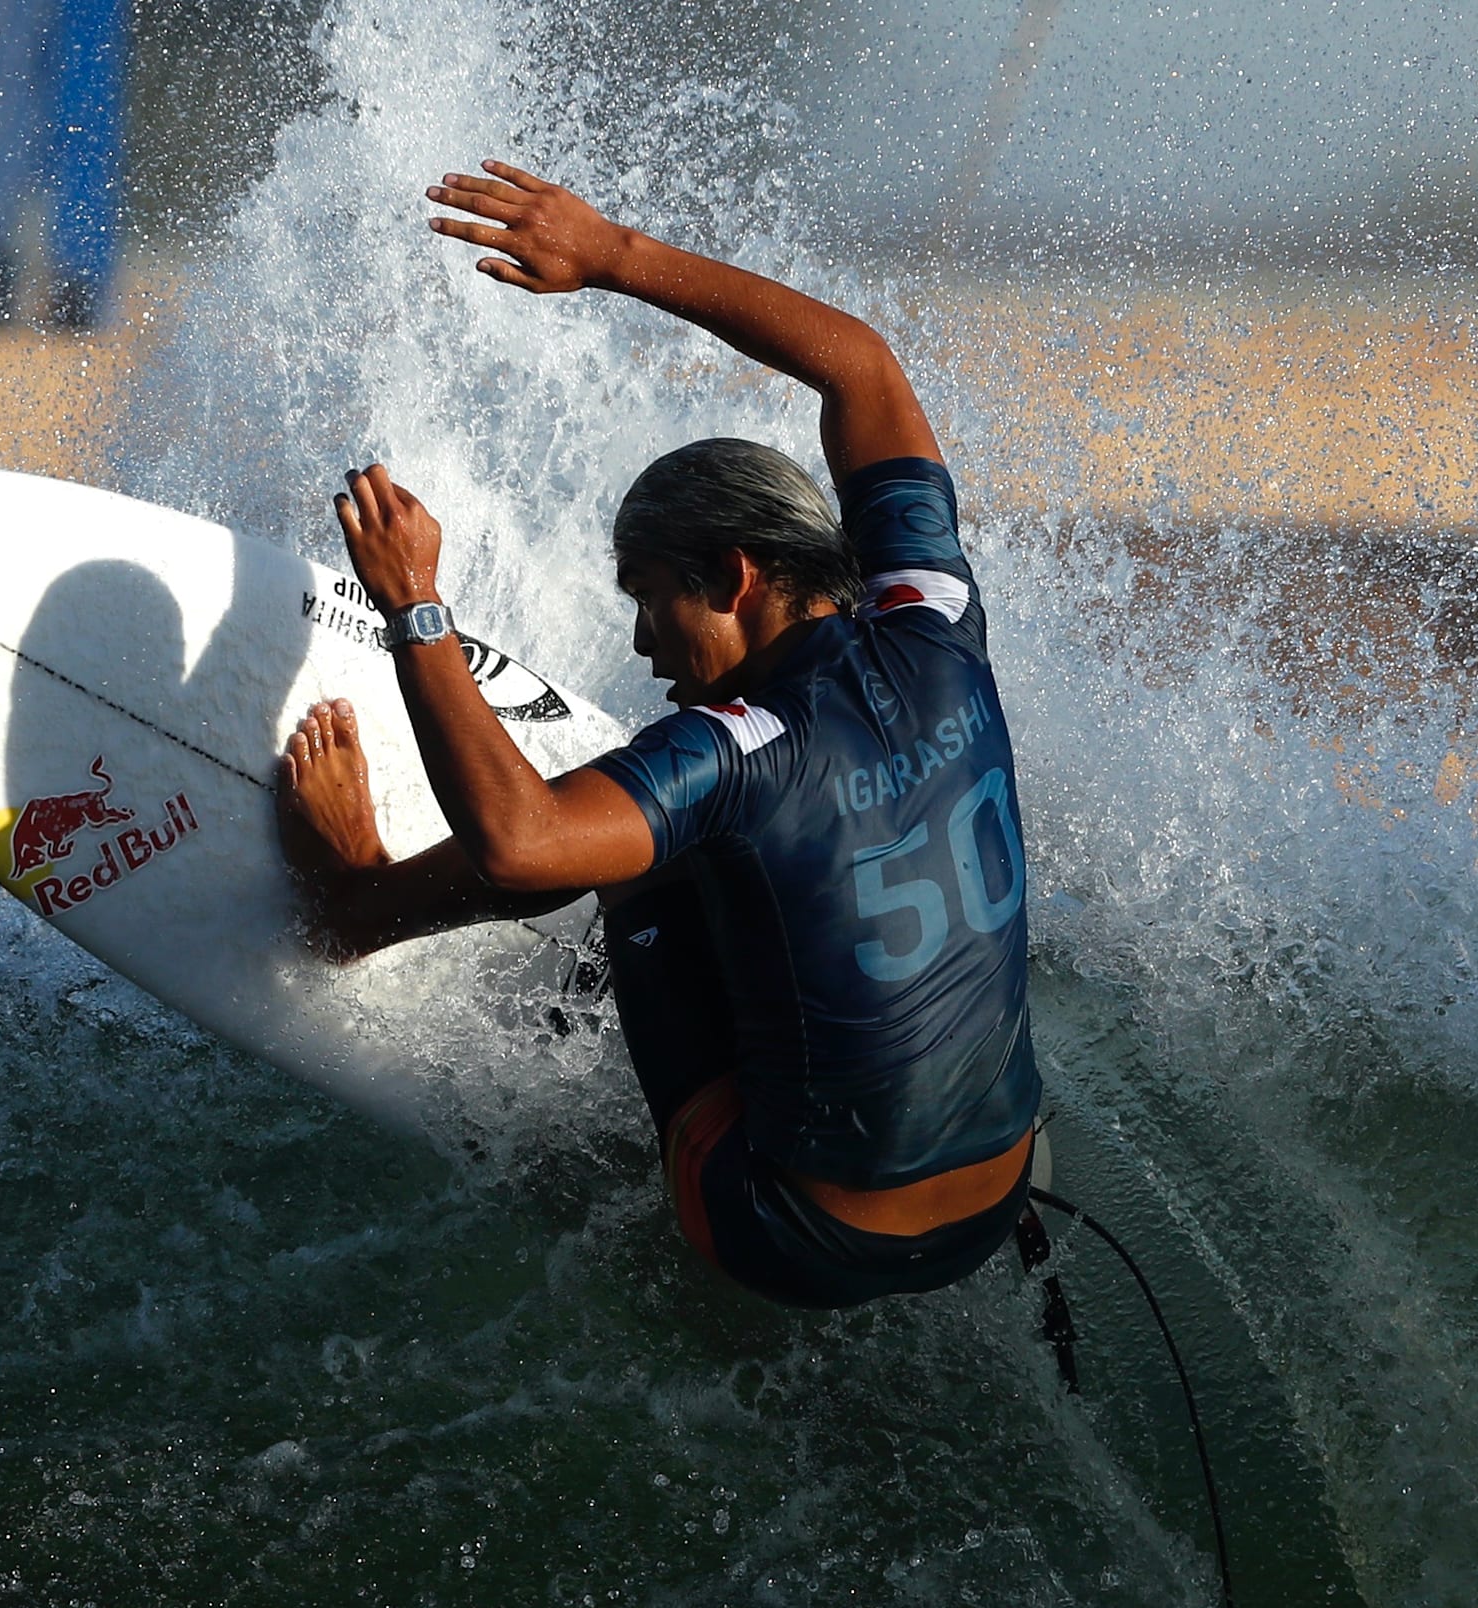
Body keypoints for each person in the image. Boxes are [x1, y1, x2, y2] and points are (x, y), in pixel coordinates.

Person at [278, 159, 1037, 1310]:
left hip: (796, 1236)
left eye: (649, 598)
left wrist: (415, 610)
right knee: (714, 838)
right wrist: (614, 255)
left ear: (734, 577)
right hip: (998, 1199)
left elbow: (520, 847)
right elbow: (861, 367)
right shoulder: (933, 621)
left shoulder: (737, 747)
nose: (641, 643)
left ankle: (351, 910)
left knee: (637, 854)